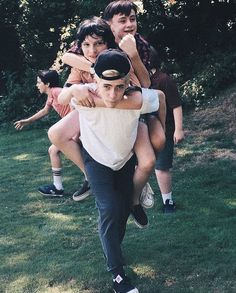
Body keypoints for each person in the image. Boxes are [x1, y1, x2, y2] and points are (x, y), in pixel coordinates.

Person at [57, 49, 164, 293]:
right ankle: (117, 275)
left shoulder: (137, 99)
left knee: (123, 208)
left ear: (128, 82)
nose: (112, 94)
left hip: (124, 160)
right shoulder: (85, 96)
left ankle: (114, 247)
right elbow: (62, 97)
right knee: (109, 209)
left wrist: (162, 133)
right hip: (96, 160)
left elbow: (158, 96)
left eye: (119, 86)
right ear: (95, 80)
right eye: (106, 86)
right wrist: (74, 89)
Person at [61, 4, 166, 227]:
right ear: (109, 24)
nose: (129, 25)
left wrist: (133, 54)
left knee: (157, 143)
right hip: (96, 112)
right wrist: (93, 71)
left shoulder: (136, 44)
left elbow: (145, 84)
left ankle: (135, 192)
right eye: (122, 20)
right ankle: (90, 175)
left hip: (128, 110)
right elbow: (67, 57)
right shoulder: (96, 35)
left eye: (133, 19)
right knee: (57, 134)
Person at [14, 70, 85, 197]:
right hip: (72, 129)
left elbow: (74, 104)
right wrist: (27, 121)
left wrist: (75, 133)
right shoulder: (51, 94)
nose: (37, 85)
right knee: (53, 151)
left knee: (54, 150)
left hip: (76, 128)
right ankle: (59, 187)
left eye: (39, 82)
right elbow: (45, 110)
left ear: (47, 84)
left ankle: (87, 179)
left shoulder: (57, 91)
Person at [149, 47, 185, 213]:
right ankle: (137, 200)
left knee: (161, 167)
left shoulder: (164, 80)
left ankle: (168, 202)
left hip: (165, 131)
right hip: (144, 131)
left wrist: (179, 129)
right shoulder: (138, 81)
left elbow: (176, 106)